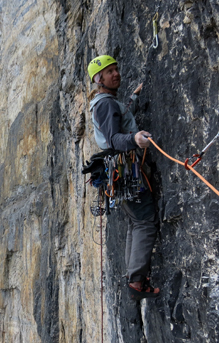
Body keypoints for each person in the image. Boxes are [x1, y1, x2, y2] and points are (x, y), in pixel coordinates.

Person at [87, 55, 160, 300]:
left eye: (116, 69)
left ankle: (134, 278)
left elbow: (121, 116)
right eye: (110, 72)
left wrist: (133, 98)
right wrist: (135, 139)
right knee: (144, 221)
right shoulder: (105, 104)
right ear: (99, 78)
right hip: (125, 168)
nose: (116, 73)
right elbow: (113, 138)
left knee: (135, 221)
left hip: (119, 171)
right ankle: (137, 282)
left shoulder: (105, 102)